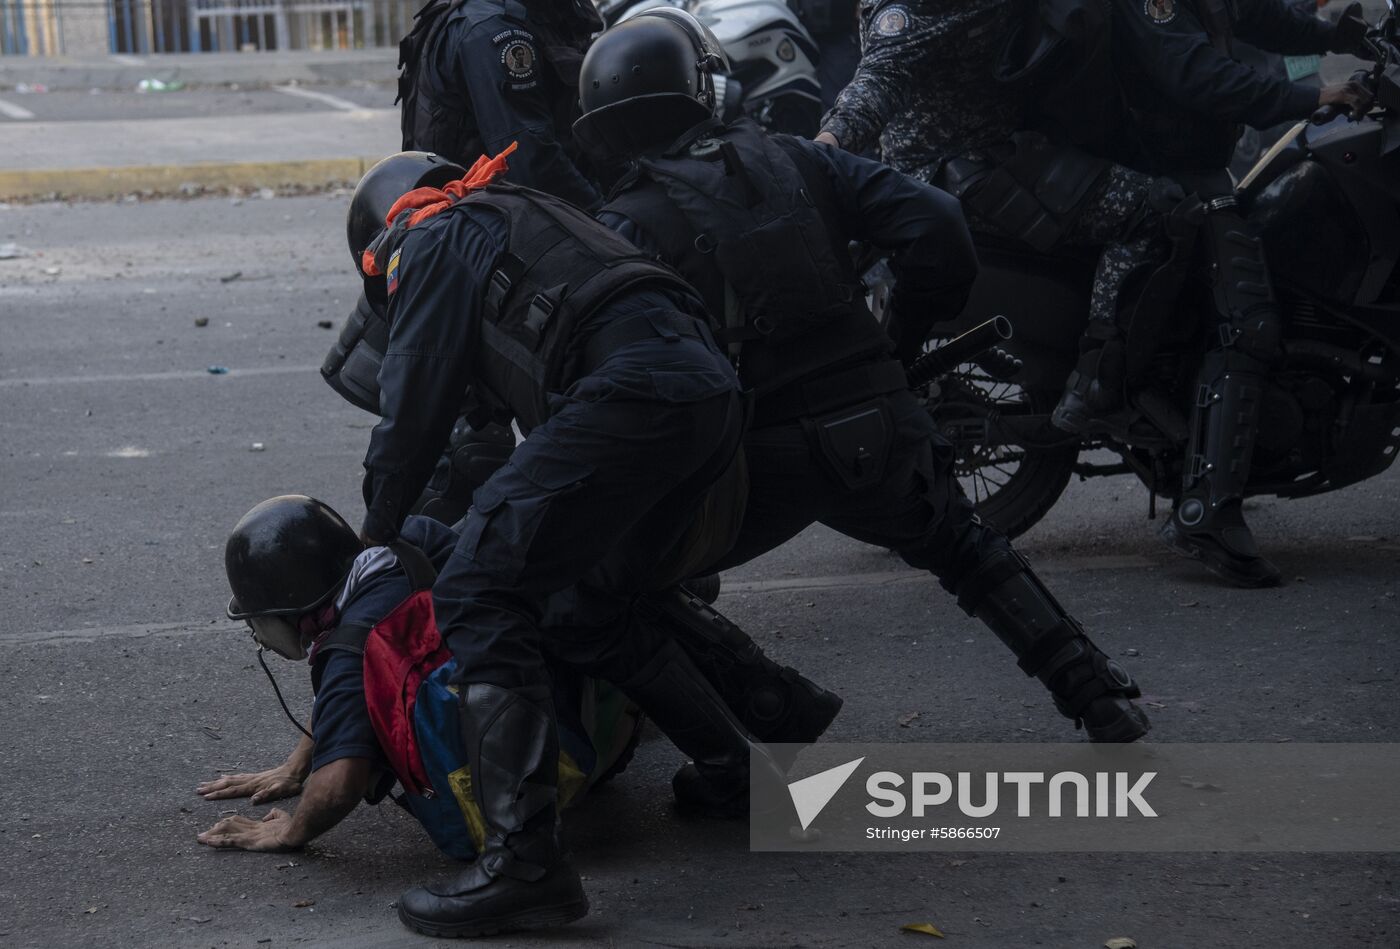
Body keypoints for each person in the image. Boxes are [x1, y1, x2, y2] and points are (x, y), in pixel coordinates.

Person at [573, 9, 1151, 747]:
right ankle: (1100, 697)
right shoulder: (798, 156)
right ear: (702, 89)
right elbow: (938, 226)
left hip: (756, 460)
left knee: (615, 582)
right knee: (967, 549)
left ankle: (762, 721)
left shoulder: (621, 226)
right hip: (879, 425)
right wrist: (895, 346)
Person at [342, 148, 795, 937]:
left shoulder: (432, 237)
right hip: (705, 392)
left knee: (479, 591)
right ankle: (735, 771)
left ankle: (526, 864)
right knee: (586, 602)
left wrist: (376, 538)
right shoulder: (517, 213)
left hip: (631, 393)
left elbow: (410, 417)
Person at [196, 497, 643, 861]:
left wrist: (290, 832)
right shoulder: (412, 545)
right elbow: (349, 697)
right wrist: (298, 765)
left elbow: (340, 784)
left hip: (550, 782)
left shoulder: (351, 649)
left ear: (287, 610)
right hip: (602, 718)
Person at [1103, 0, 1373, 587]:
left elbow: (1252, 15)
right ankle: (1206, 513)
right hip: (1163, 178)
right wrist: (1315, 97)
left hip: (1197, 164)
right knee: (1249, 320)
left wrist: (1339, 34)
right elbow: (1199, 75)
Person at [395, 0, 602, 208]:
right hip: (487, 217)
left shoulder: (541, 11)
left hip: (513, 206)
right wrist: (605, 224)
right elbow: (530, 161)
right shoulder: (491, 29)